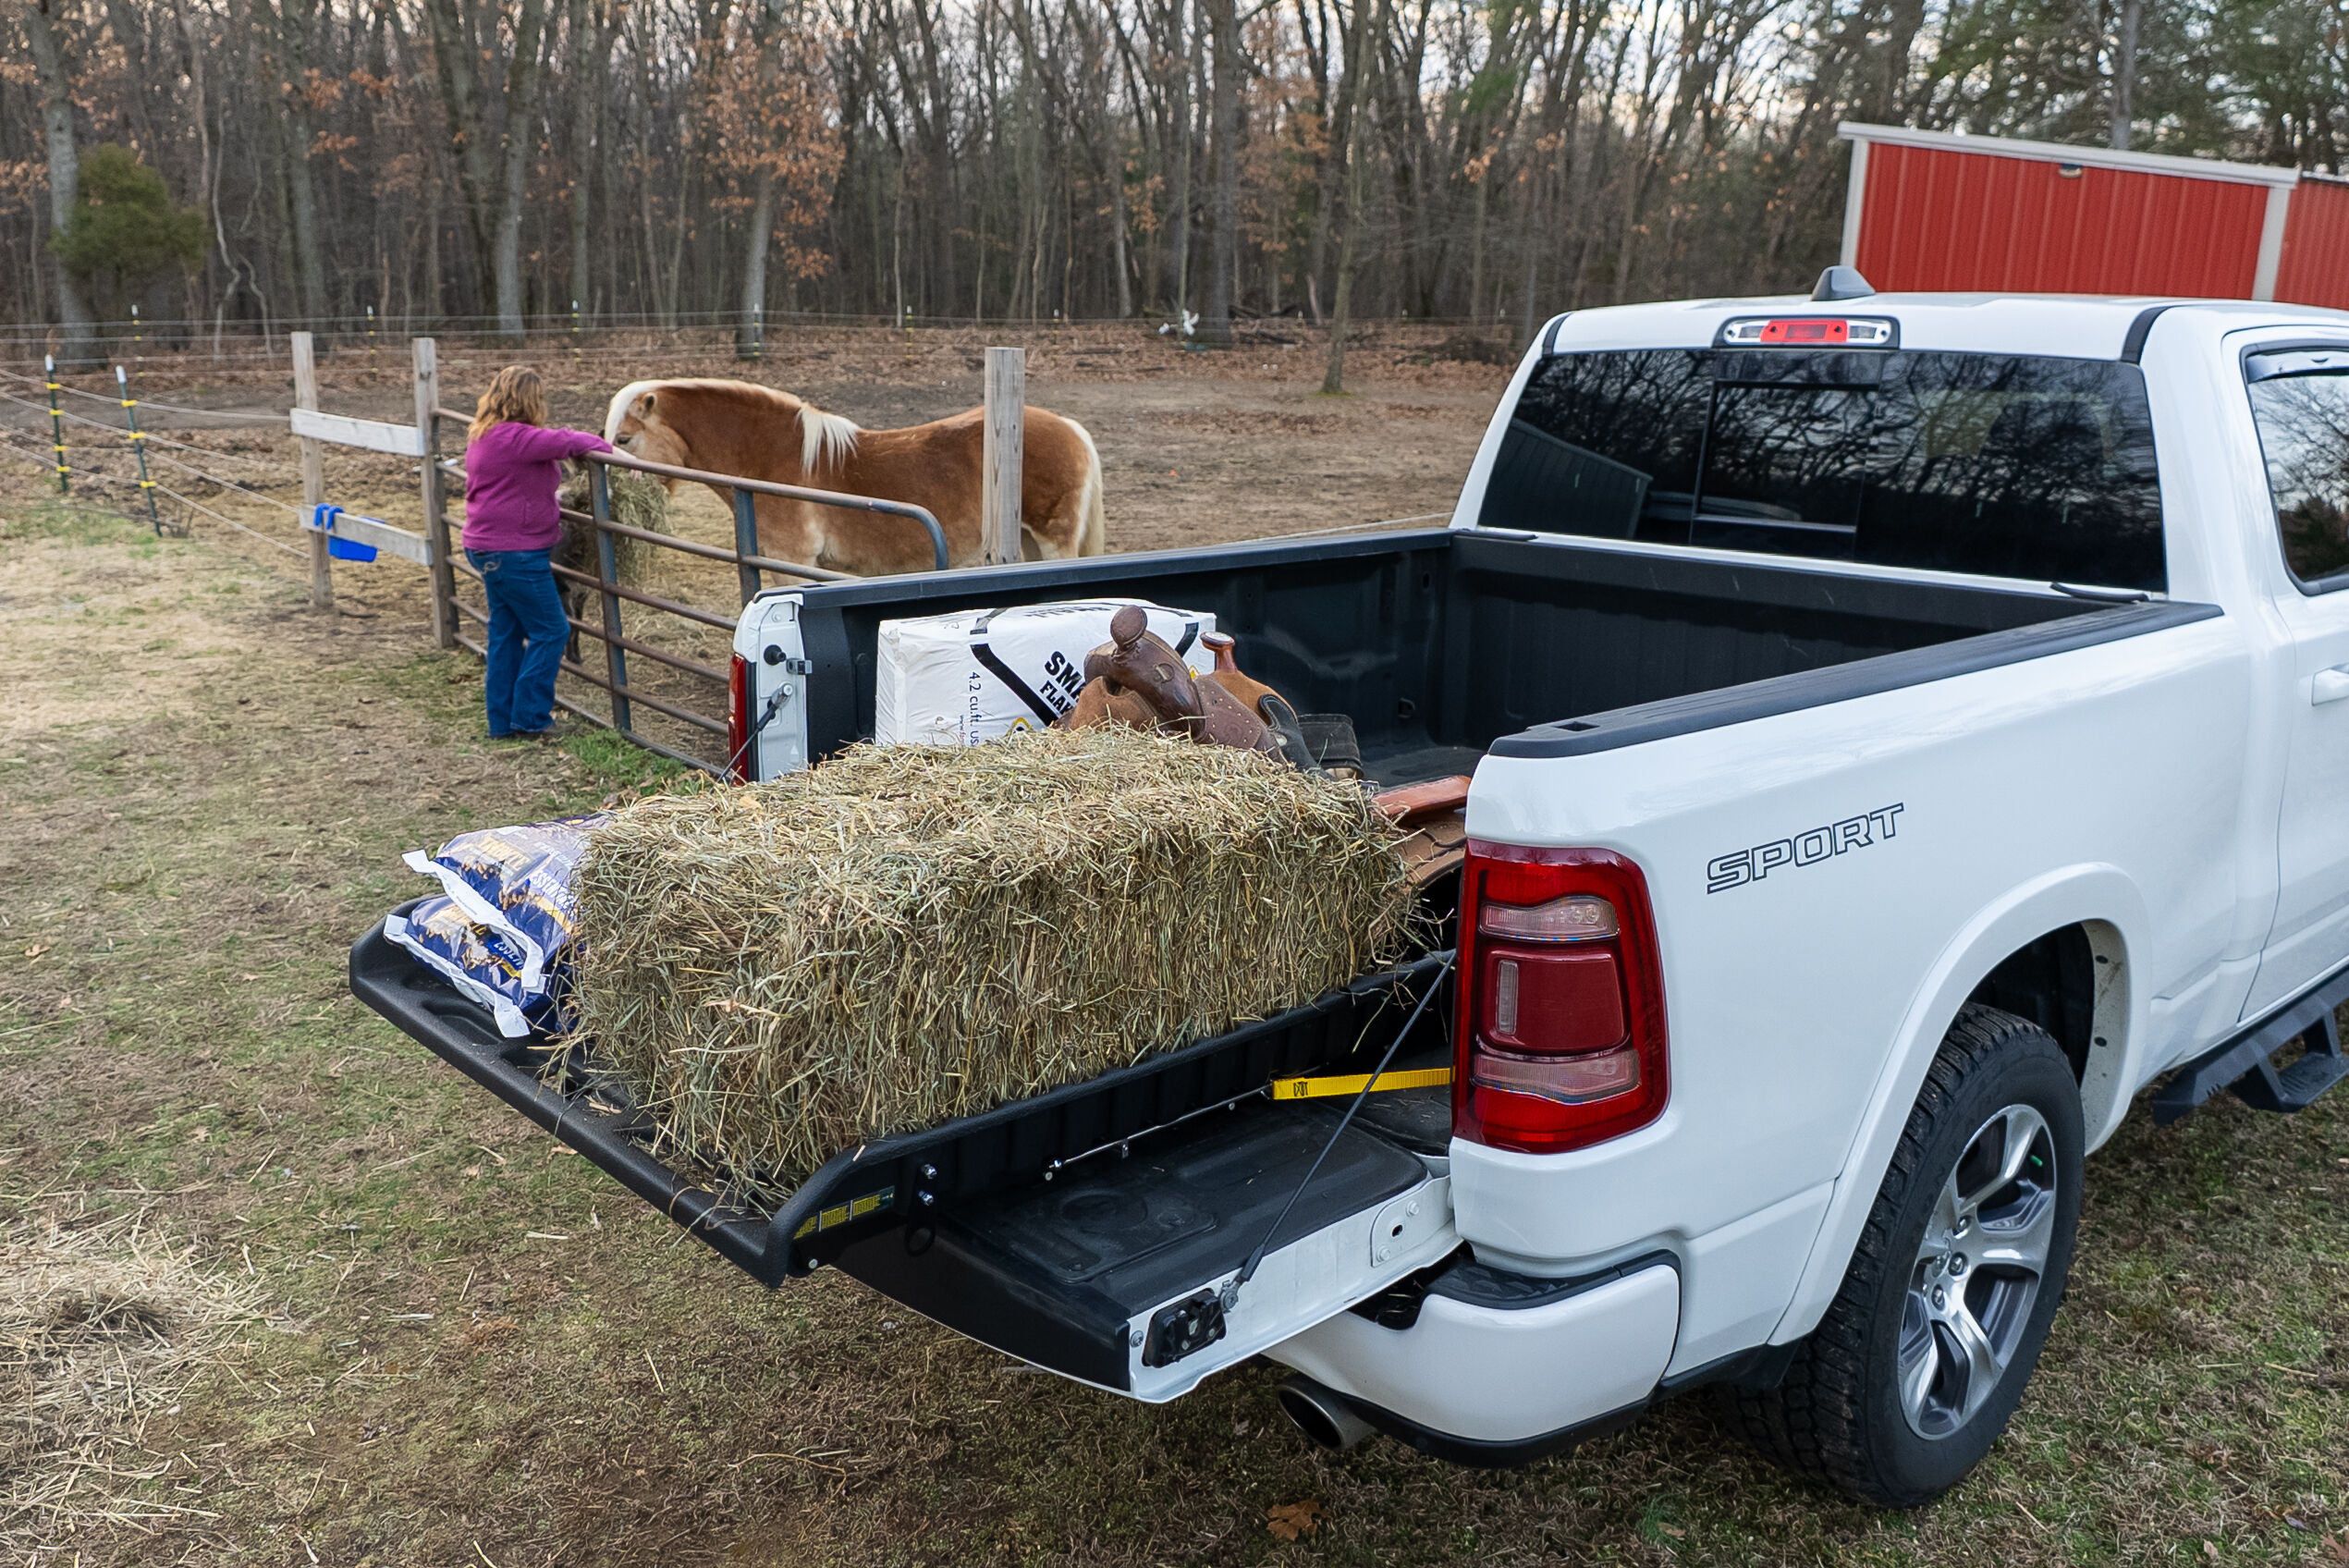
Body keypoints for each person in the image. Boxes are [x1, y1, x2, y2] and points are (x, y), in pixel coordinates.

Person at [460, 366, 612, 741]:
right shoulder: (518, 438)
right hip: (514, 554)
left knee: (506, 633)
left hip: (489, 547)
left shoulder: (486, 434)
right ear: (530, 401)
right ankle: (530, 717)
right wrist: (612, 449)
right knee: (552, 629)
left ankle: (502, 721)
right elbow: (570, 440)